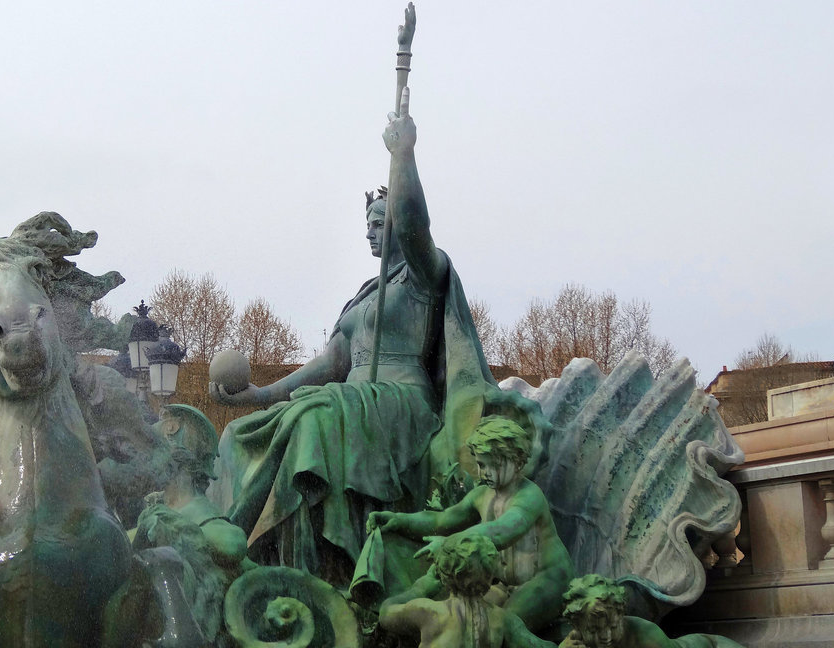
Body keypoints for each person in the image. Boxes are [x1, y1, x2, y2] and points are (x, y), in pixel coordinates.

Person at [210, 96, 547, 584]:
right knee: (246, 433)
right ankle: (250, 551)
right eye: (367, 224)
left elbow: (414, 225)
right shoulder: (362, 300)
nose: (372, 232)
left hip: (403, 402)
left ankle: (301, 567)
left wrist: (403, 156)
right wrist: (257, 396)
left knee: (315, 418)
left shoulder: (423, 275)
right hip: (352, 398)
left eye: (379, 222)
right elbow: (327, 365)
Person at [367, 416, 573, 648]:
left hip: (545, 579)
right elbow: (443, 519)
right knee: (470, 618)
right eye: (479, 464)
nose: (481, 471)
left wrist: (449, 545)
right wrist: (400, 520)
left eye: (488, 465)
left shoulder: (529, 496)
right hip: (503, 584)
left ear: (515, 461)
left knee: (505, 626)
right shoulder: (482, 495)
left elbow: (501, 531)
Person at [378, 533, 508, 648]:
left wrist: (420, 589)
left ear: (442, 572)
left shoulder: (429, 612)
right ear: (490, 574)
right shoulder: (503, 620)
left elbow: (384, 614)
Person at [559, 574, 744, 648]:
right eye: (594, 630)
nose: (606, 635)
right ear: (577, 625)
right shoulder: (575, 641)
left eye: (614, 626)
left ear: (621, 616)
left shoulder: (646, 635)